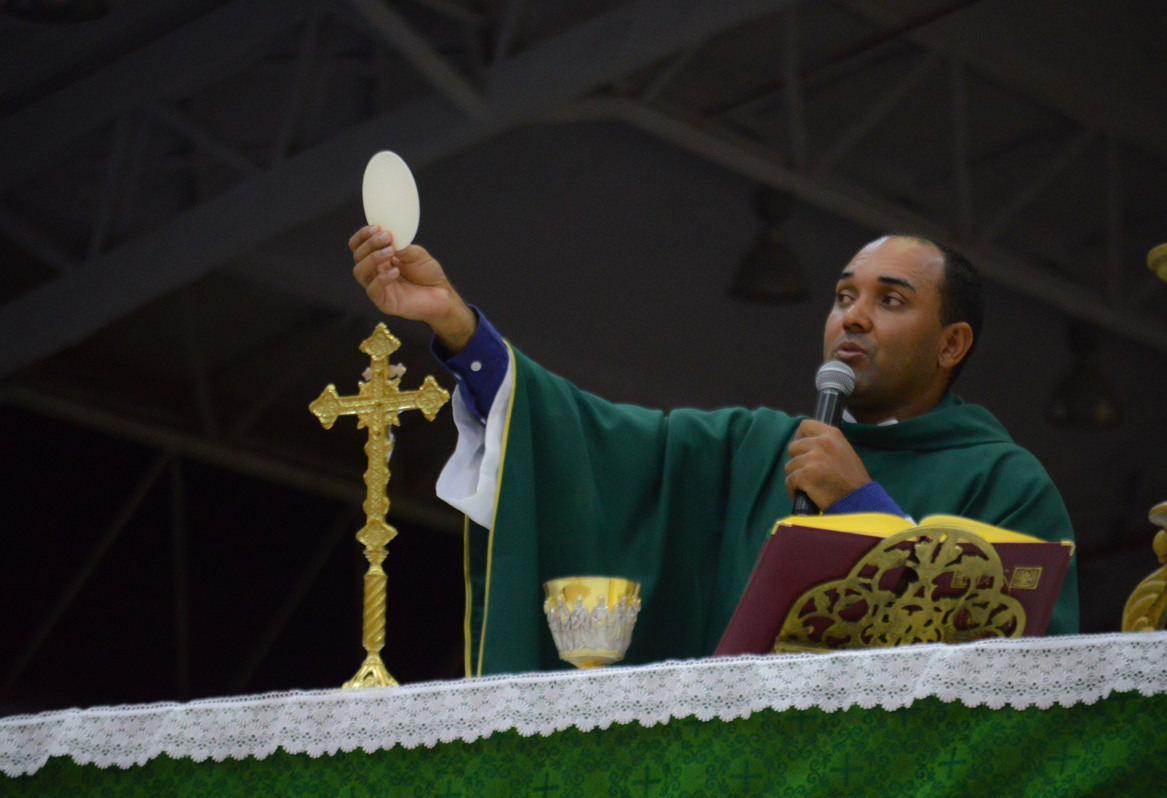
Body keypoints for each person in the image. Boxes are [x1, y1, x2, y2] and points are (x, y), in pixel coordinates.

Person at [350, 226, 1080, 676]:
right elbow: (588, 441)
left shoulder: (1003, 481)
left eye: (889, 301)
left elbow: (1022, 676)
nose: (853, 317)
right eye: (842, 297)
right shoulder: (753, 448)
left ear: (952, 344)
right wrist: (458, 327)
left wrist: (859, 503)